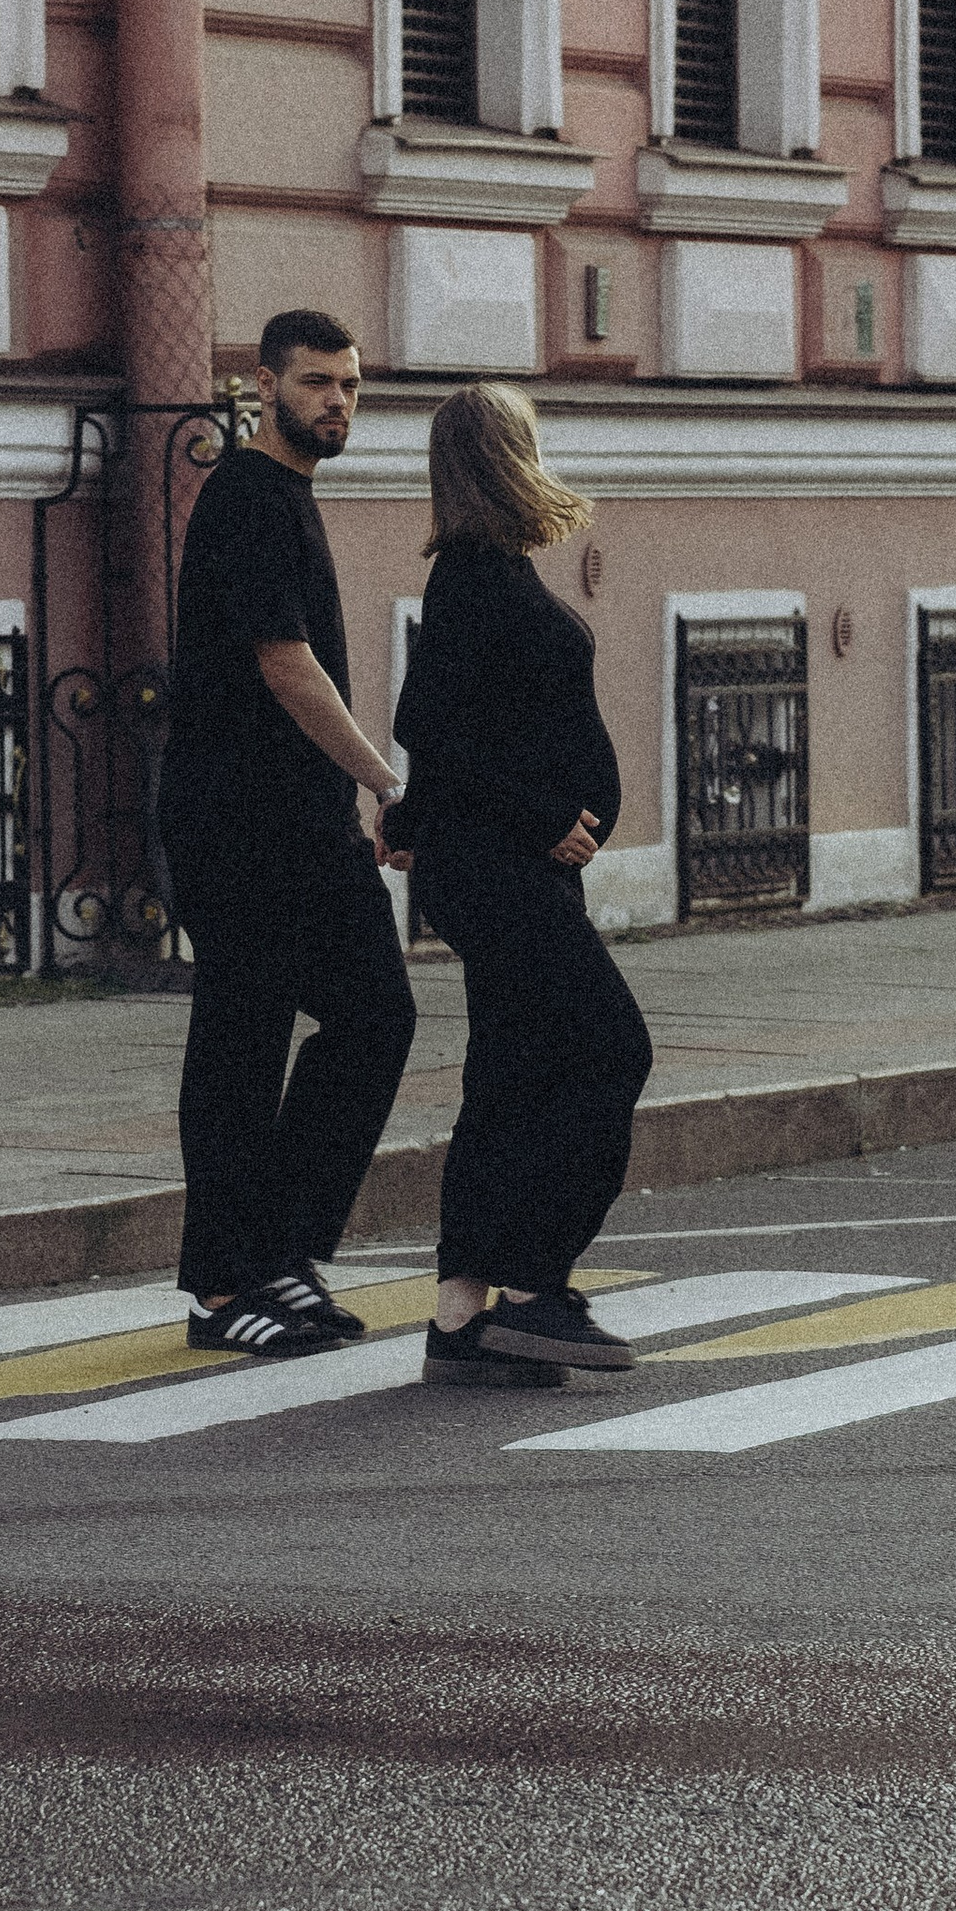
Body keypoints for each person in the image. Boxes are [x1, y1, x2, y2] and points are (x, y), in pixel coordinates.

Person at [154, 310, 418, 1360]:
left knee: (376, 1015)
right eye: (316, 383)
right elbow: (283, 663)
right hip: (236, 825)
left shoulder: (289, 497)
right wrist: (385, 780)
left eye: (349, 385)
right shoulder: (247, 496)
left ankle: (279, 1249)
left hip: (304, 823)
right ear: (264, 387)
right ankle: (222, 1290)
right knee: (241, 1044)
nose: (337, 402)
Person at [382, 384, 653, 1389]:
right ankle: (536, 1287)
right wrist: (542, 816)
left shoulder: (489, 571)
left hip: (499, 864)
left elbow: (466, 724)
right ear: (509, 455)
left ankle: (461, 1317)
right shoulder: (474, 576)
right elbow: (428, 721)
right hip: (501, 869)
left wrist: (415, 819)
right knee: (609, 1048)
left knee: (509, 1073)